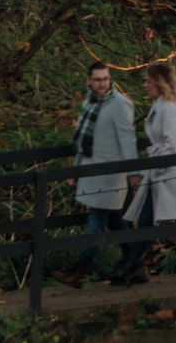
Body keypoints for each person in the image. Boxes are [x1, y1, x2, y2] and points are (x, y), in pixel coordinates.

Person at [114, 61, 176, 285]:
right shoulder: (161, 105)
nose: (145, 85)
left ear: (159, 82)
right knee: (148, 220)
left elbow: (172, 143)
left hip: (170, 172)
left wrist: (156, 168)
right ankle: (128, 269)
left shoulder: (169, 108)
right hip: (161, 171)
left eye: (148, 81)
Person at [53, 60, 138, 287]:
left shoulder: (120, 104)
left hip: (110, 174)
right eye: (98, 79)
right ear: (89, 81)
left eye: (106, 79)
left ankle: (79, 271)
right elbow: (82, 142)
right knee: (115, 221)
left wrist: (134, 172)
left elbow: (128, 140)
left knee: (96, 222)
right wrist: (76, 170)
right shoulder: (90, 103)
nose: (102, 84)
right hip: (92, 172)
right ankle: (136, 263)